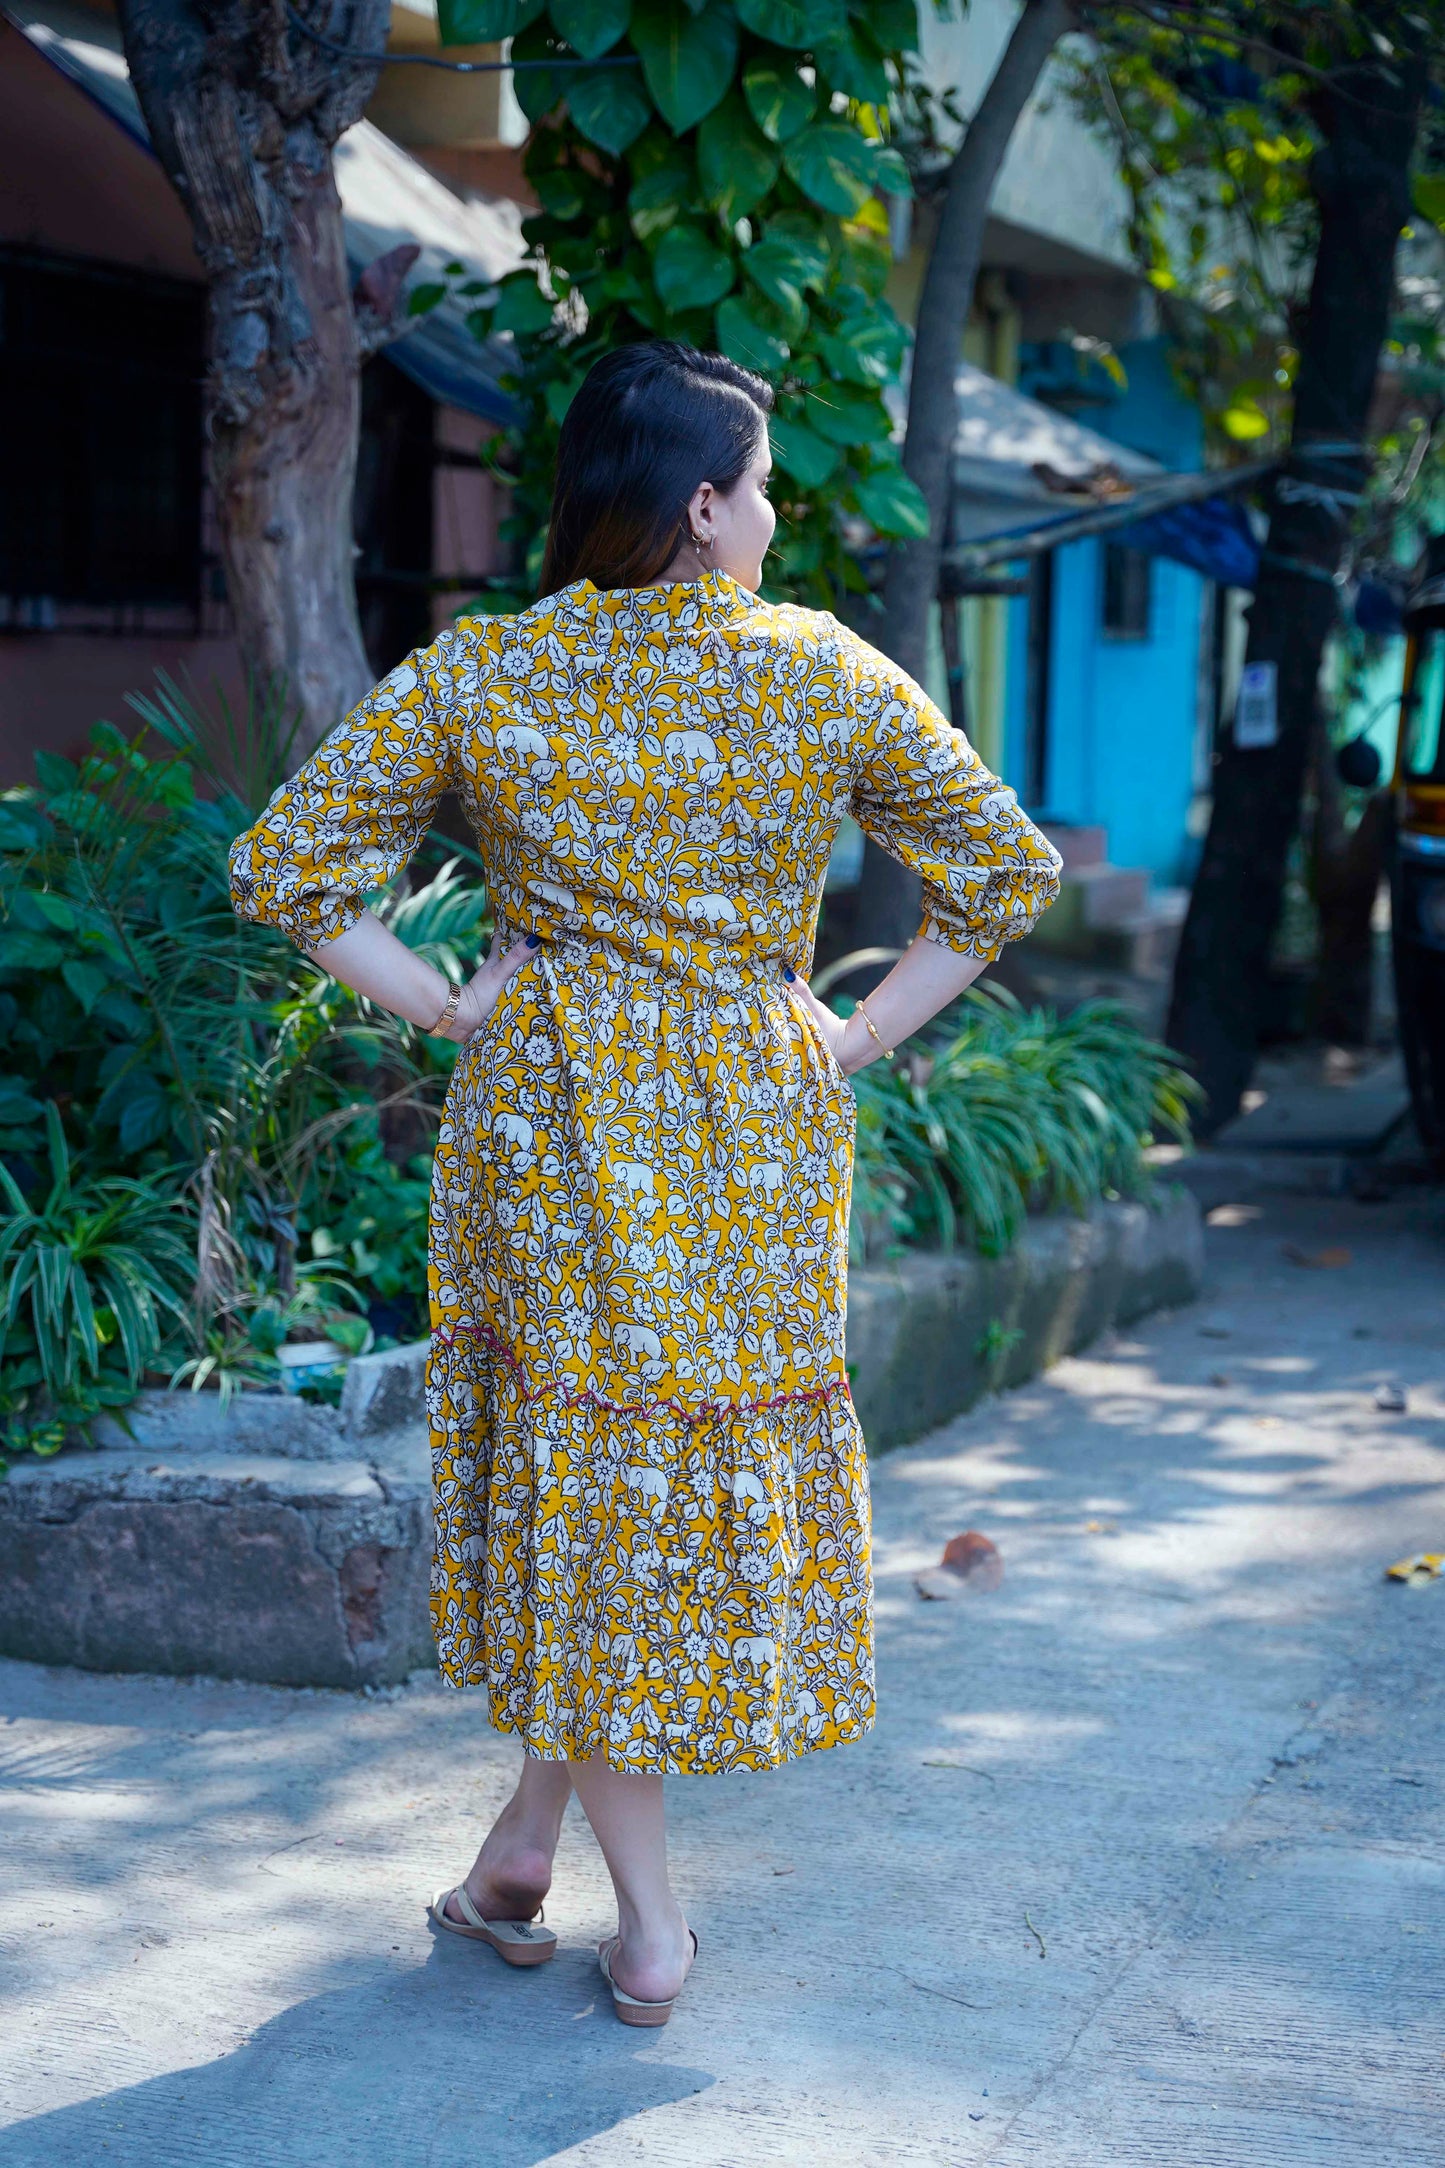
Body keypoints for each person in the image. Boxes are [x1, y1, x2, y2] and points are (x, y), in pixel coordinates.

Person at [229, 340, 1060, 2026]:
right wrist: (852, 1037)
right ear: (699, 506)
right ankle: (643, 1922)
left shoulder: (492, 671)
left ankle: (540, 1867)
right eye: (761, 487)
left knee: (592, 1474)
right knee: (644, 1483)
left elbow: (289, 870)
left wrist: (445, 1007)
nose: (774, 516)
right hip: (748, 1120)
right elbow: (1003, 872)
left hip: (547, 1115)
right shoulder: (816, 671)